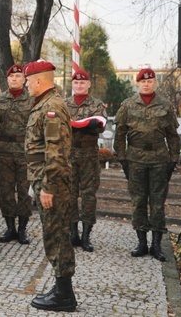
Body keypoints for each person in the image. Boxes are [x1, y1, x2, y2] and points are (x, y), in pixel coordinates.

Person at [24, 60, 76, 312]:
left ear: (37, 80)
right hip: (43, 177)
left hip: (51, 181)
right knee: (53, 233)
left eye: (27, 81)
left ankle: (64, 295)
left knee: (56, 235)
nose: (25, 86)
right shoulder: (44, 104)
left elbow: (57, 152)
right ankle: (61, 288)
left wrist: (48, 187)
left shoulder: (51, 107)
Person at [114, 67, 181, 262]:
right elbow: (120, 134)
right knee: (138, 201)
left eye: (150, 81)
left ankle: (157, 244)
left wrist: (173, 158)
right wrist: (122, 158)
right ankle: (142, 242)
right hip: (135, 159)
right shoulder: (127, 105)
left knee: (158, 202)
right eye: (143, 81)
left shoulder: (166, 106)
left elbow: (173, 135)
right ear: (138, 83)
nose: (146, 83)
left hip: (159, 158)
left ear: (155, 83)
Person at [65, 68, 107, 252]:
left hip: (89, 156)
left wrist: (90, 127)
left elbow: (101, 126)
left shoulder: (97, 105)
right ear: (72, 85)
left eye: (82, 82)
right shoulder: (64, 104)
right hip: (69, 156)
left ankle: (86, 235)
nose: (79, 85)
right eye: (76, 82)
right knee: (70, 195)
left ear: (89, 84)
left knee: (89, 196)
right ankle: (72, 233)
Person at [0, 64, 33, 244]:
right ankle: (10, 227)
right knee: (6, 191)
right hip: (4, 151)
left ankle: (22, 228)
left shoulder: (32, 99)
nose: (14, 79)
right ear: (7, 79)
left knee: (24, 192)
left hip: (24, 151)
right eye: (11, 77)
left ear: (24, 80)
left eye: (18, 76)